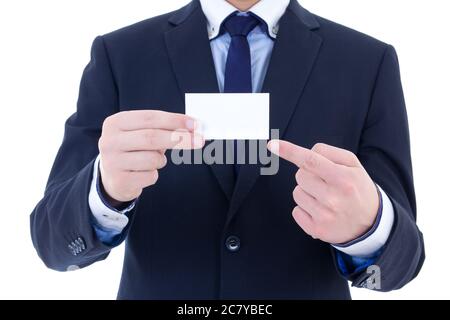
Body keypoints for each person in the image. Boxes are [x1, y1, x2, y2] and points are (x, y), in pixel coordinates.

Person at [30, 0, 424, 299]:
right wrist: (103, 191)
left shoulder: (367, 62)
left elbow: (400, 267)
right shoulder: (121, 55)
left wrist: (369, 229)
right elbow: (52, 245)